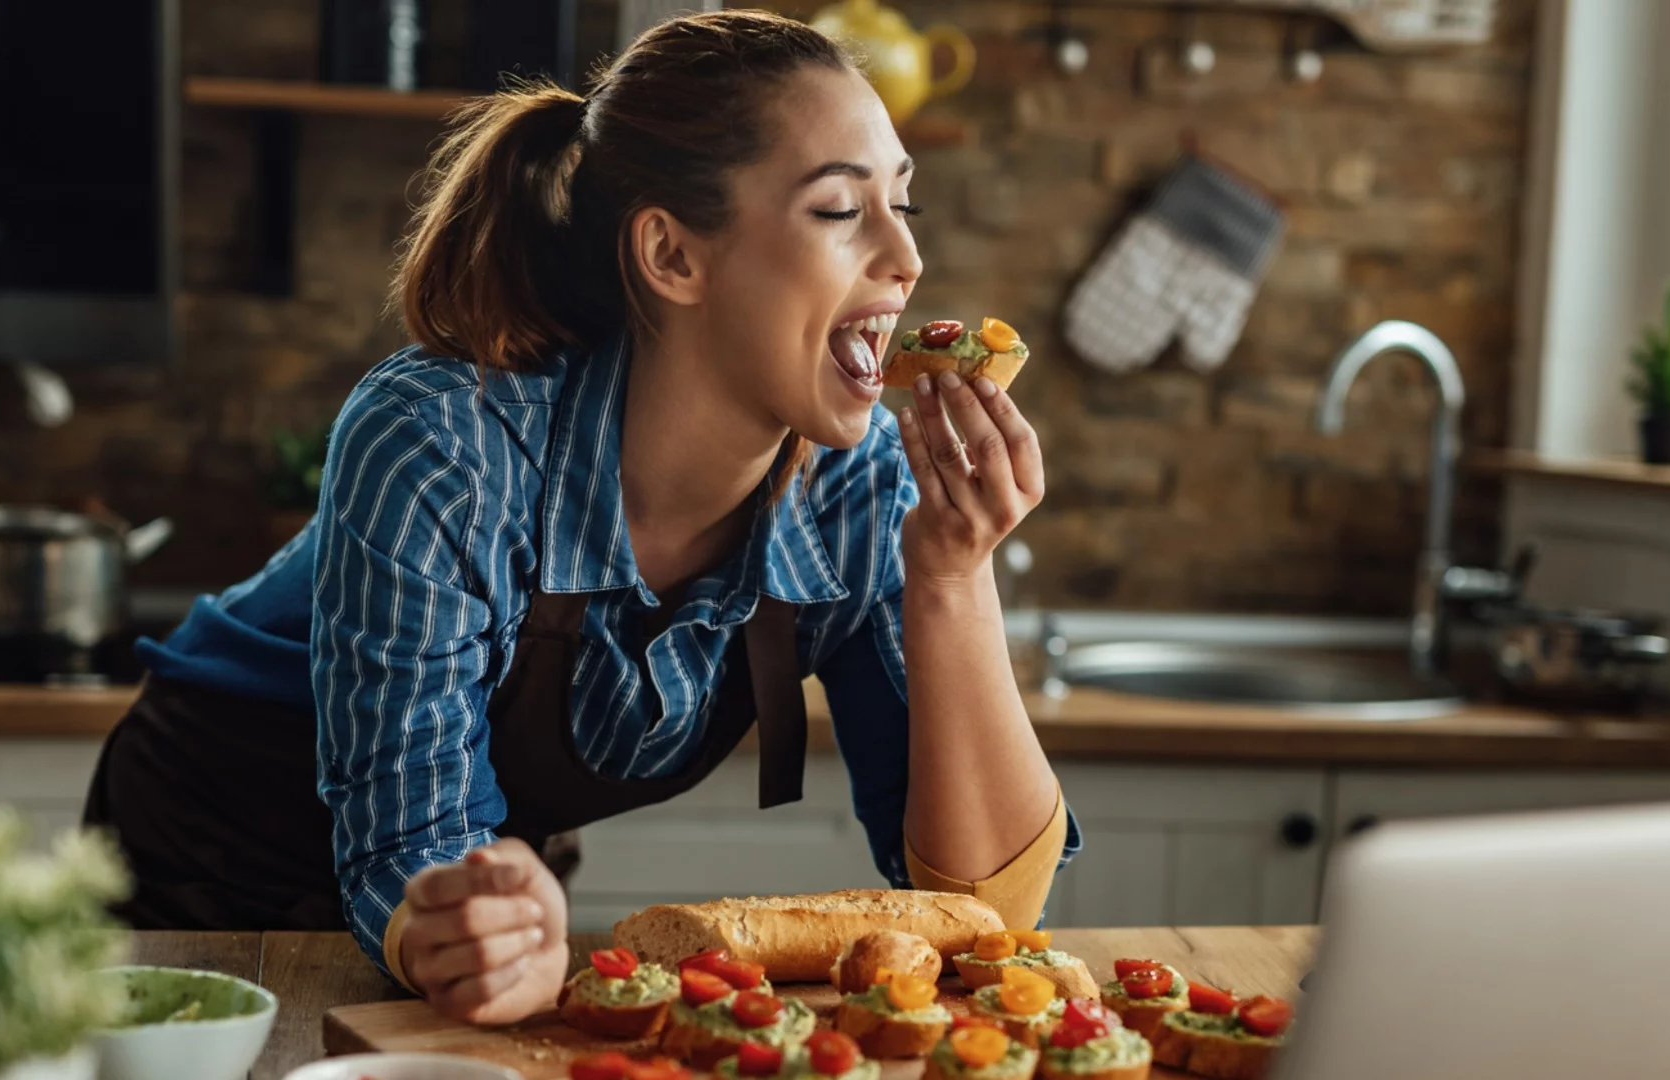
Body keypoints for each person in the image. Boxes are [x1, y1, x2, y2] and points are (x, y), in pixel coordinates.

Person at [84, 10, 1078, 1026]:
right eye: (839, 210)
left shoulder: (859, 486)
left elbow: (984, 917)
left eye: (904, 204)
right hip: (208, 877)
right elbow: (408, 840)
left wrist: (956, 578)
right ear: (673, 256)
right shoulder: (443, 441)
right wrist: (464, 921)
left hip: (468, 887)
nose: (907, 257)